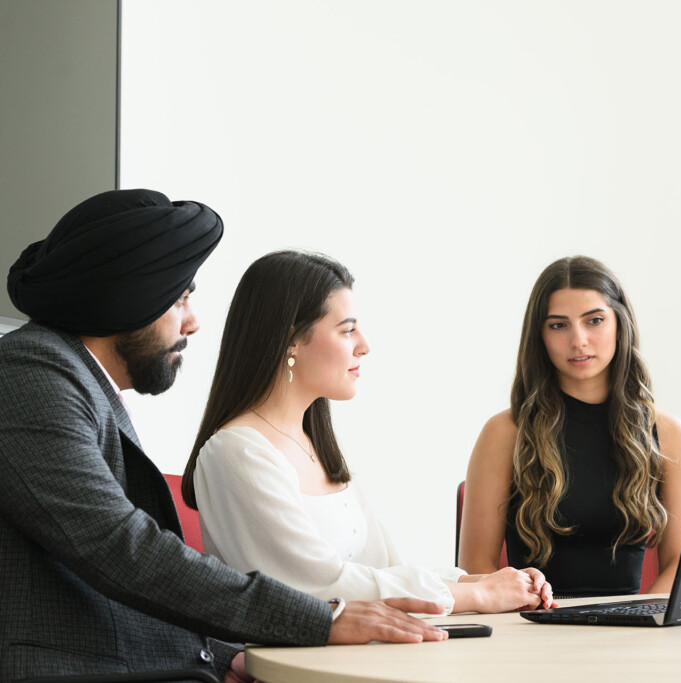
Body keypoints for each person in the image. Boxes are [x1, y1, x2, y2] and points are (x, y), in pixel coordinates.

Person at [0, 190, 447, 683]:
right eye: (180, 298)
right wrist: (321, 619)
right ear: (129, 297)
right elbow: (117, 547)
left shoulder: (74, 381)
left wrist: (222, 650)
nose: (192, 322)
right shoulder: (29, 373)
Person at [182, 250, 554, 615]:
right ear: (291, 339)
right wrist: (477, 596)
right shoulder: (236, 452)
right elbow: (316, 587)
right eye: (347, 330)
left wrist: (482, 583)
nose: (365, 345)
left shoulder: (314, 446)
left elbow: (384, 571)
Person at [459, 255, 681, 597]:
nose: (579, 340)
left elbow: (680, 565)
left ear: (620, 323)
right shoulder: (504, 432)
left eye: (595, 320)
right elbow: (475, 569)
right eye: (558, 325)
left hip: (634, 634)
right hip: (533, 631)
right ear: (539, 335)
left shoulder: (669, 434)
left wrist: (645, 623)